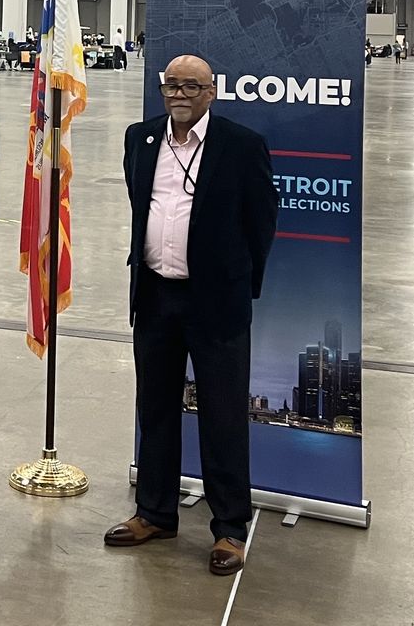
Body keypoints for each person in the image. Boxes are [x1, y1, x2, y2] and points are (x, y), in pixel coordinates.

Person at [104, 54, 277, 577]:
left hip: (215, 302)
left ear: (211, 91)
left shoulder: (241, 145)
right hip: (155, 296)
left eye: (191, 86)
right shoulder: (141, 138)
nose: (179, 93)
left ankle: (229, 527)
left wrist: (237, 283)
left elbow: (261, 222)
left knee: (223, 415)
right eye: (171, 84)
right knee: (155, 409)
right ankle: (154, 512)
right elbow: (142, 206)